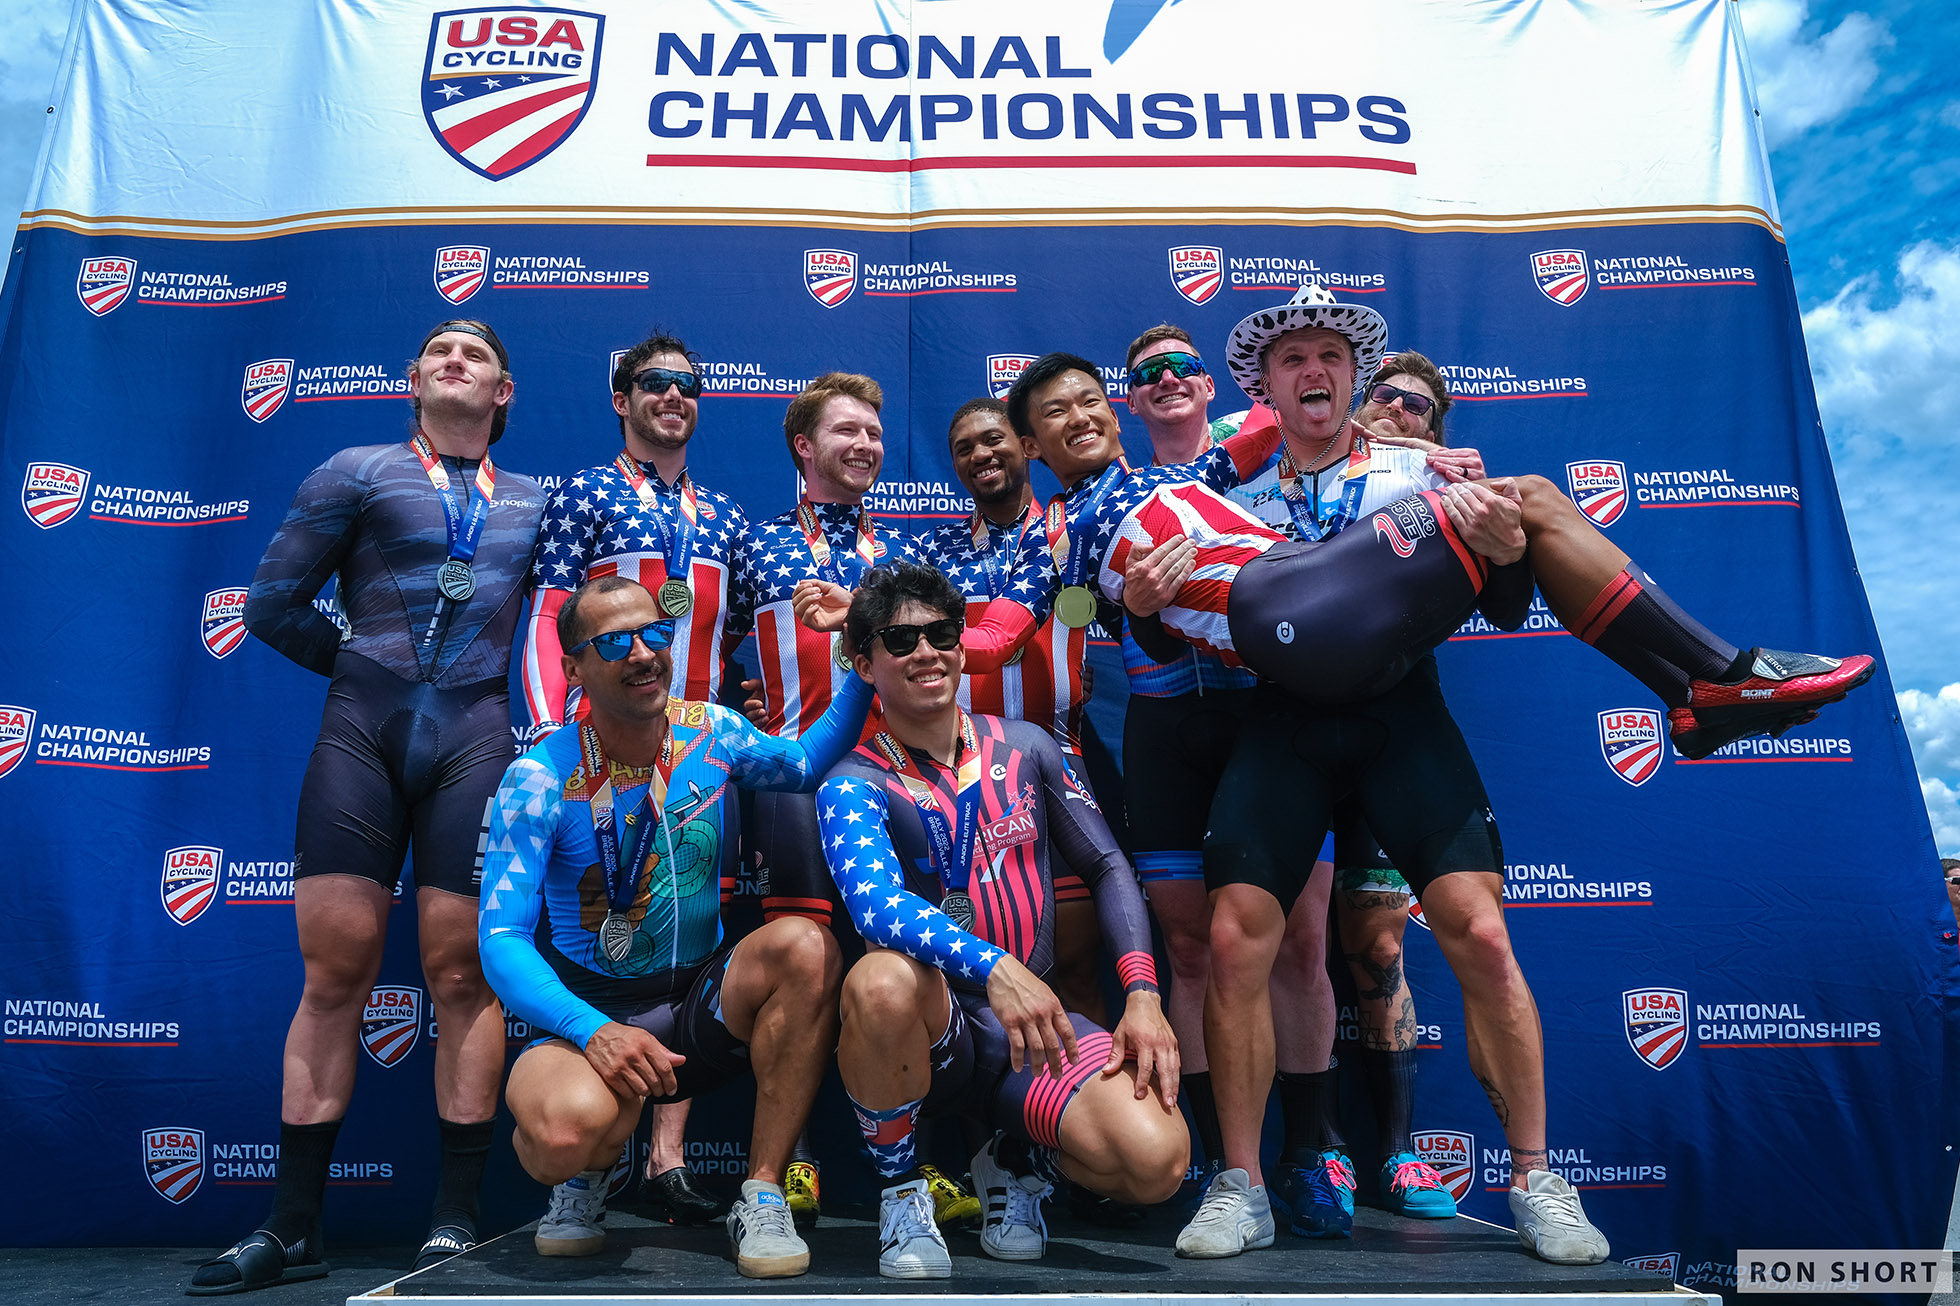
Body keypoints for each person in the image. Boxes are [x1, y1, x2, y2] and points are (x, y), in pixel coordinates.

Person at [194, 320, 544, 1295]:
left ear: (504, 391)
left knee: (462, 974)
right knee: (334, 972)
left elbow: (575, 624)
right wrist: (359, 668)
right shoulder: (356, 468)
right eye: (438, 350)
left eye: (474, 355)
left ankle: (456, 1219)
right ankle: (293, 1222)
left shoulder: (538, 502)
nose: (454, 361)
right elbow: (269, 604)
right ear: (411, 378)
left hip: (478, 739)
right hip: (361, 733)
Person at [477, 576, 871, 1278]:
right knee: (564, 1136)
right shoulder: (537, 778)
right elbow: (501, 940)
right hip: (590, 1013)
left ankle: (762, 1191)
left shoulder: (711, 733)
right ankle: (588, 1173)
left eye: (655, 634)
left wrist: (859, 659)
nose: (642, 654)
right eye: (613, 642)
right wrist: (591, 1032)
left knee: (806, 947)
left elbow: (807, 763)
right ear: (574, 669)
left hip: (700, 1008)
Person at [815, 563, 1186, 1278]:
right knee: (879, 981)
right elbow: (878, 910)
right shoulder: (852, 782)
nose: (925, 652)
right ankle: (902, 1190)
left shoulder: (1029, 745)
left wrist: (1141, 993)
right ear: (862, 662)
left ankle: (1014, 1155)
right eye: (899, 639)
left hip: (1029, 1031)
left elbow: (1109, 866)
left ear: (963, 645)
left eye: (941, 634)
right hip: (936, 1028)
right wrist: (995, 966)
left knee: (1157, 1163)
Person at [518, 331, 748, 1227]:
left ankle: (668, 1159)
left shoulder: (726, 515)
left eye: (688, 386)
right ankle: (590, 1165)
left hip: (694, 755)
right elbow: (547, 620)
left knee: (687, 930)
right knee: (598, 916)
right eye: (654, 384)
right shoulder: (585, 492)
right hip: (599, 753)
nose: (673, 397)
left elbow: (731, 649)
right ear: (621, 399)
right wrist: (548, 735)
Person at [1119, 327, 1347, 1224]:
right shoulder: (1111, 494)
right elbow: (1076, 607)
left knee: (1300, 942)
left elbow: (1355, 430)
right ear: (1130, 400)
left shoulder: (1270, 457)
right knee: (1189, 952)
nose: (1169, 380)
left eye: (1182, 367)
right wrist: (1129, 603)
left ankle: (1315, 1151)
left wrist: (1419, 444)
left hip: (1272, 717)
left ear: (1210, 384)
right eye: (1149, 375)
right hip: (1165, 723)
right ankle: (1216, 1160)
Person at [726, 371, 931, 1225]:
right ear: (804, 447)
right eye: (846, 430)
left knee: (910, 965)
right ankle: (791, 1161)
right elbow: (707, 648)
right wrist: (740, 703)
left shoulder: (908, 553)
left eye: (875, 433)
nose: (866, 445)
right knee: (803, 972)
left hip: (903, 780)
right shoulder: (755, 541)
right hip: (793, 786)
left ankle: (930, 1162)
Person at [920, 396, 1107, 1027]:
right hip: (961, 780)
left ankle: (1084, 1112)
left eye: (993, 439)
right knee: (976, 972)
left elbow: (1094, 616)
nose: (981, 454)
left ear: (1027, 446)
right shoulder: (933, 551)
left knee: (1078, 961)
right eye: (964, 448)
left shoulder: (1073, 531)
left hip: (1061, 764)